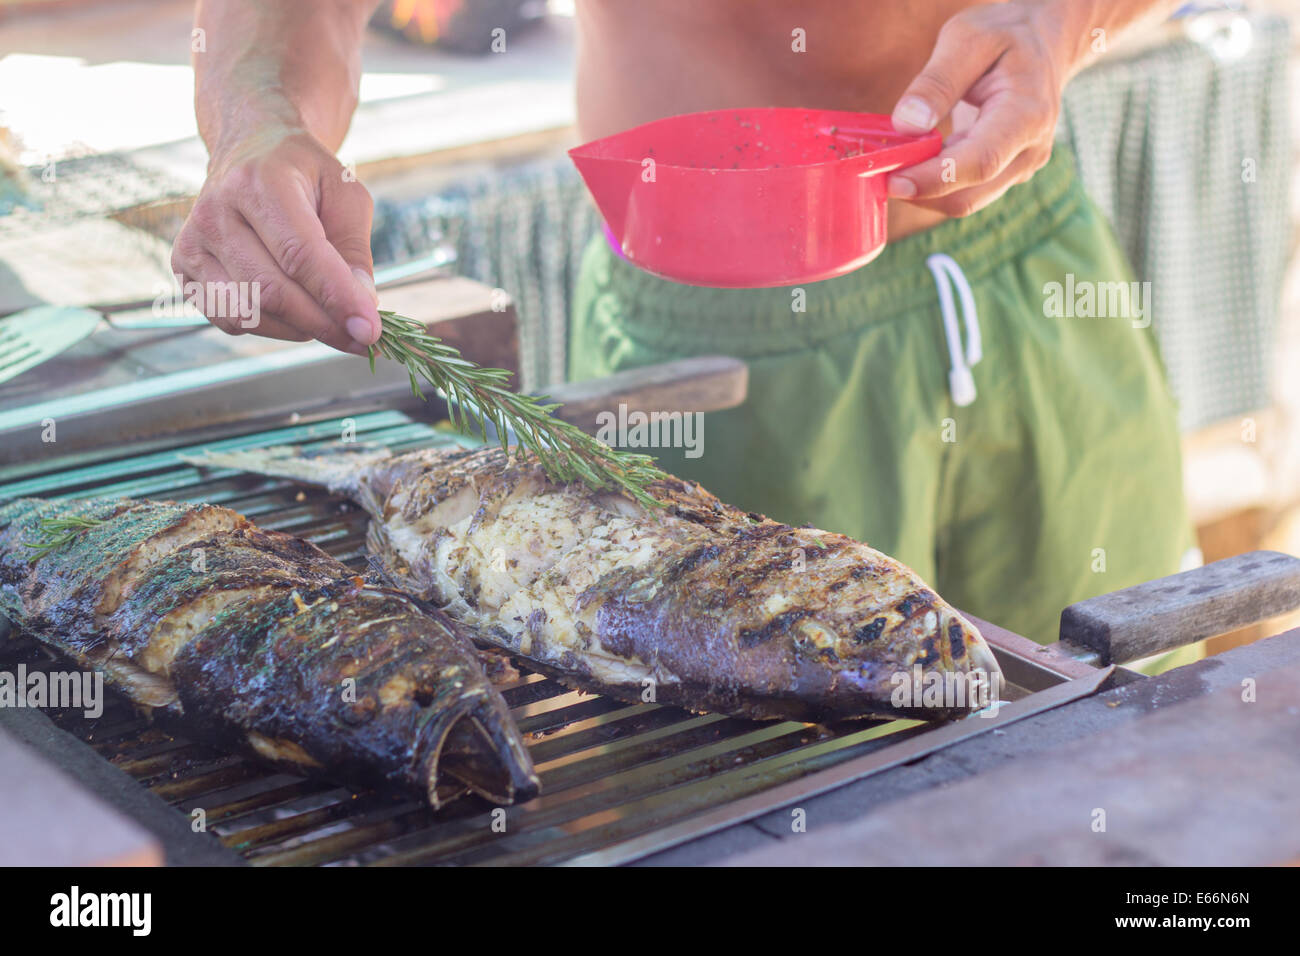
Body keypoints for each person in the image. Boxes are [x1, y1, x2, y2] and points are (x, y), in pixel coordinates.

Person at [172, 0, 1192, 645]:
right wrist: (261, 120)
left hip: (1030, 275)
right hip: (721, 334)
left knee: (1121, 755)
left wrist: (1063, 22)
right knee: (772, 784)